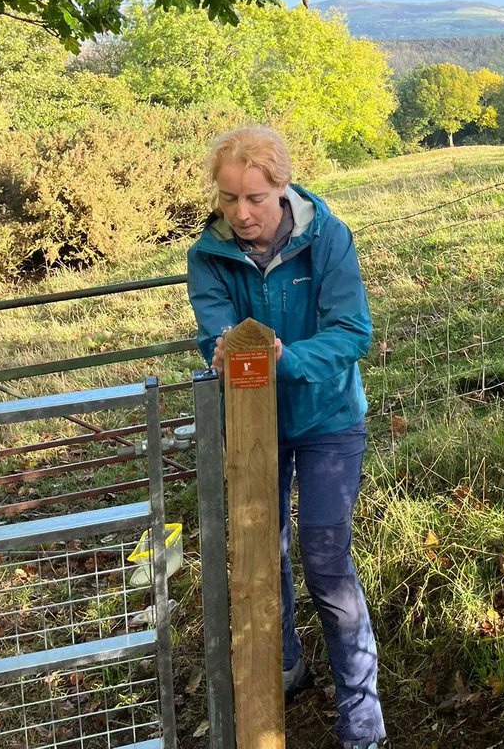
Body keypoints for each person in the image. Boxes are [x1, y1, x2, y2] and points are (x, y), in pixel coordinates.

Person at [187, 125, 386, 749]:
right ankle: (283, 662)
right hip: (252, 426)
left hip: (328, 418)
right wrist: (227, 352)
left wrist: (286, 358)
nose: (240, 214)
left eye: (254, 199)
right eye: (228, 199)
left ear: (281, 190)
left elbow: (354, 331)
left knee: (326, 562)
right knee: (258, 552)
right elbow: (220, 338)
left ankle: (361, 717)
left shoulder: (327, 237)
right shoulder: (207, 255)